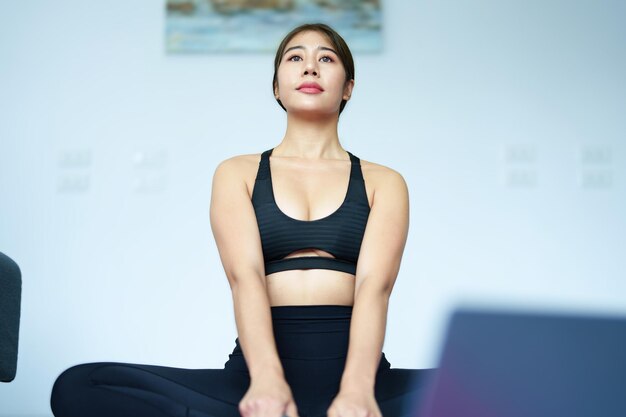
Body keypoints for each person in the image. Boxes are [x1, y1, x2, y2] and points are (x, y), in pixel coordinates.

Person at [49, 23, 434, 417]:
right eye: (295, 57)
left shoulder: (384, 182)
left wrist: (356, 392)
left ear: (348, 87)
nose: (310, 68)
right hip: (254, 380)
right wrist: (266, 381)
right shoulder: (237, 173)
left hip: (364, 382)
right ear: (276, 87)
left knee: (493, 383)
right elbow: (244, 277)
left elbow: (375, 288)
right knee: (80, 385)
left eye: (327, 58)